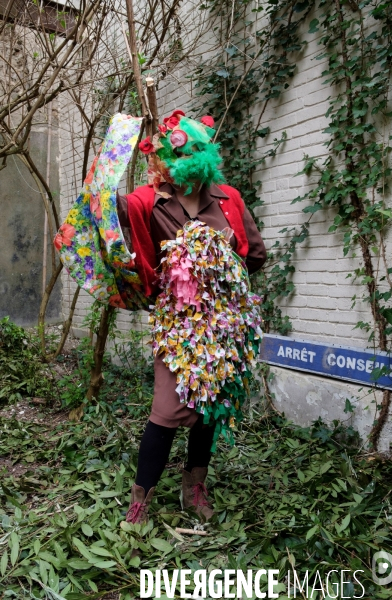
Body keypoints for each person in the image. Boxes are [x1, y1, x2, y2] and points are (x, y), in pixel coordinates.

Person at [116, 110, 267, 524]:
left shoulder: (228, 199)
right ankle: (140, 500)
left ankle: (193, 488)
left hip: (224, 324)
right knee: (165, 410)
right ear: (164, 163)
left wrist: (223, 275)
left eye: (196, 156)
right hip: (177, 327)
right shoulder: (146, 202)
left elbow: (253, 254)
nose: (186, 169)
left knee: (209, 407)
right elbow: (118, 233)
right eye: (176, 160)